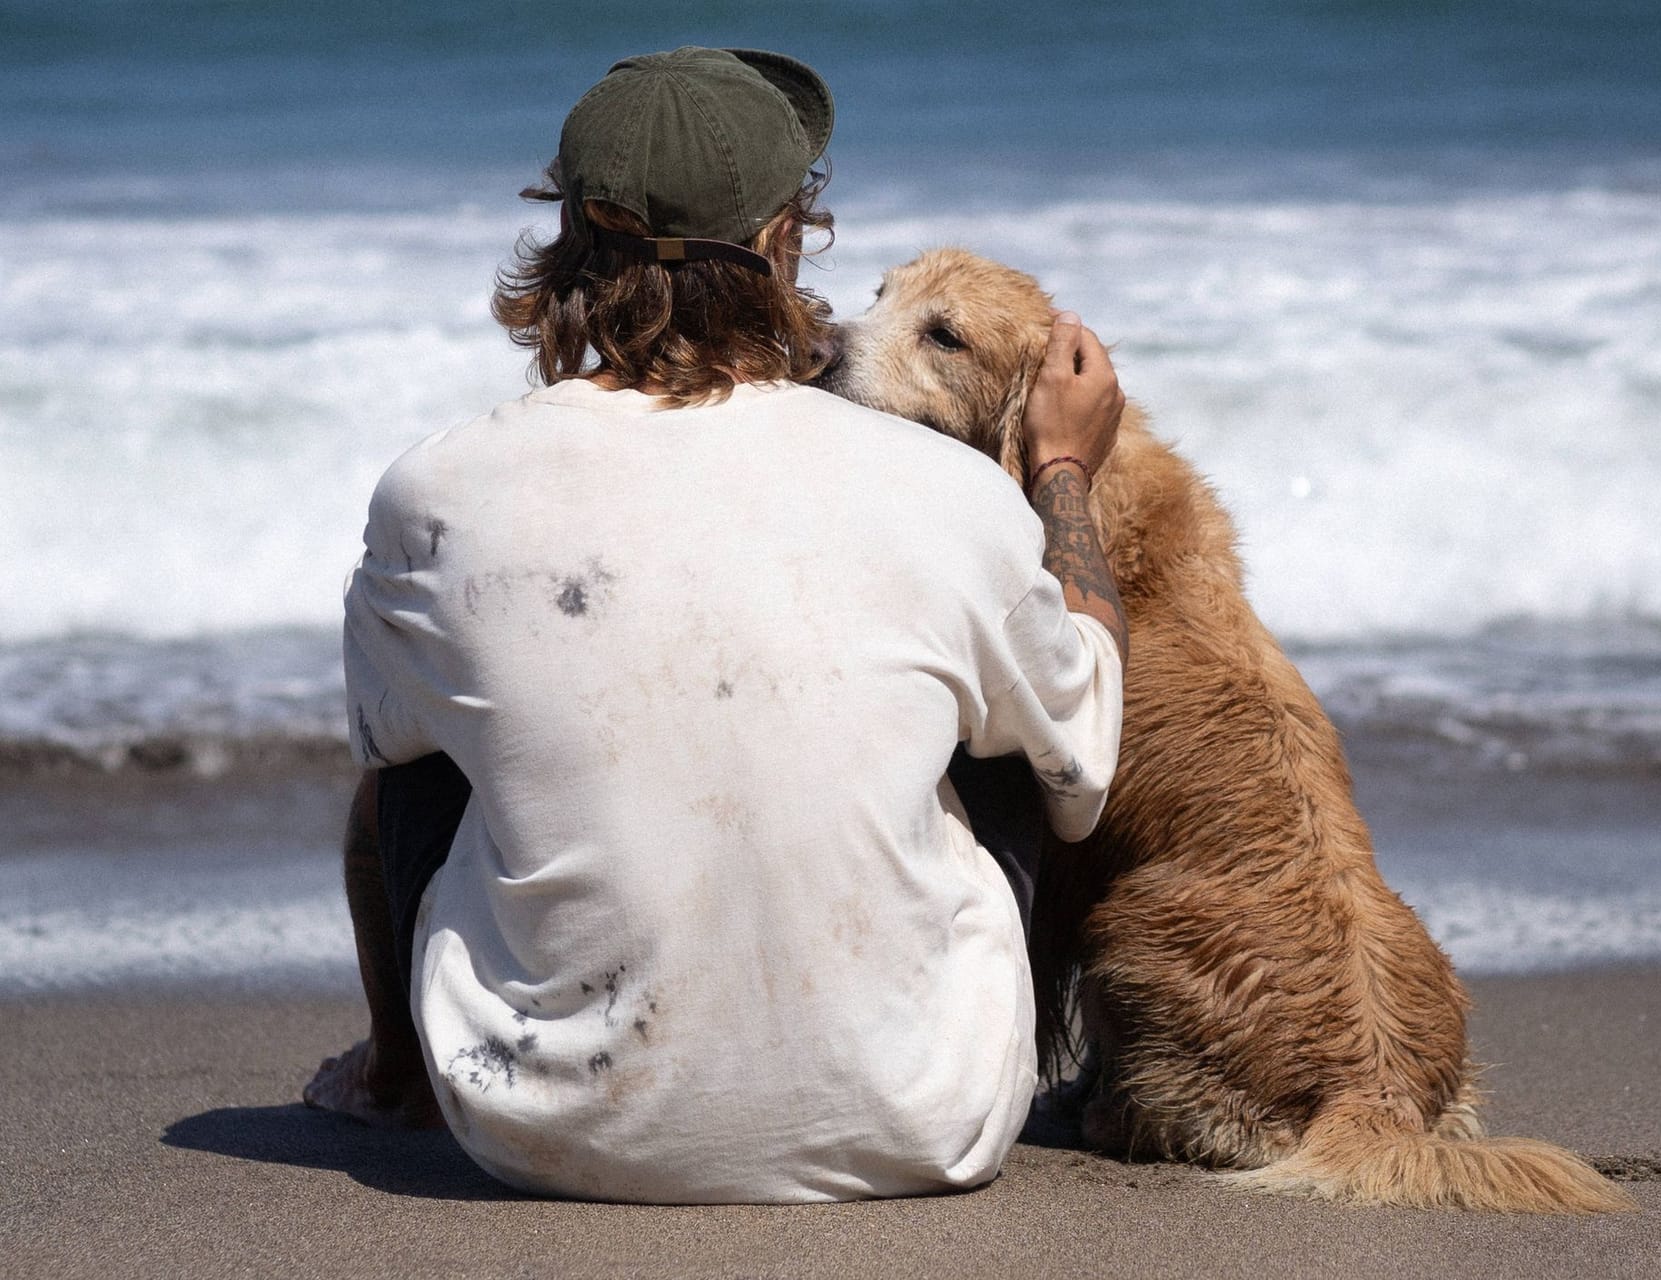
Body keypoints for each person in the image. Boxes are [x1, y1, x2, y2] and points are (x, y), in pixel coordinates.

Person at [303, 46, 1129, 1203]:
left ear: (572, 245)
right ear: (785, 241)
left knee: (413, 759)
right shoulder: (951, 498)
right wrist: (1063, 471)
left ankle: (397, 1073)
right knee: (1015, 721)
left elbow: (392, 752)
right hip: (922, 1123)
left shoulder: (433, 494)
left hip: (541, 1129)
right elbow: (1083, 769)